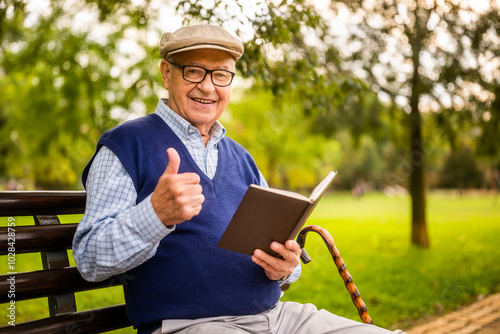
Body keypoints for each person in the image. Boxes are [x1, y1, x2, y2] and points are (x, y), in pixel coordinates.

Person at [73, 24, 395, 334]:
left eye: (221, 75)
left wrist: (288, 266)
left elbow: (281, 254)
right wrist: (154, 216)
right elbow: (88, 259)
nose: (208, 87)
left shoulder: (242, 157)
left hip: (281, 318)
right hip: (195, 326)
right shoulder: (127, 146)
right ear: (166, 73)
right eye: (194, 71)